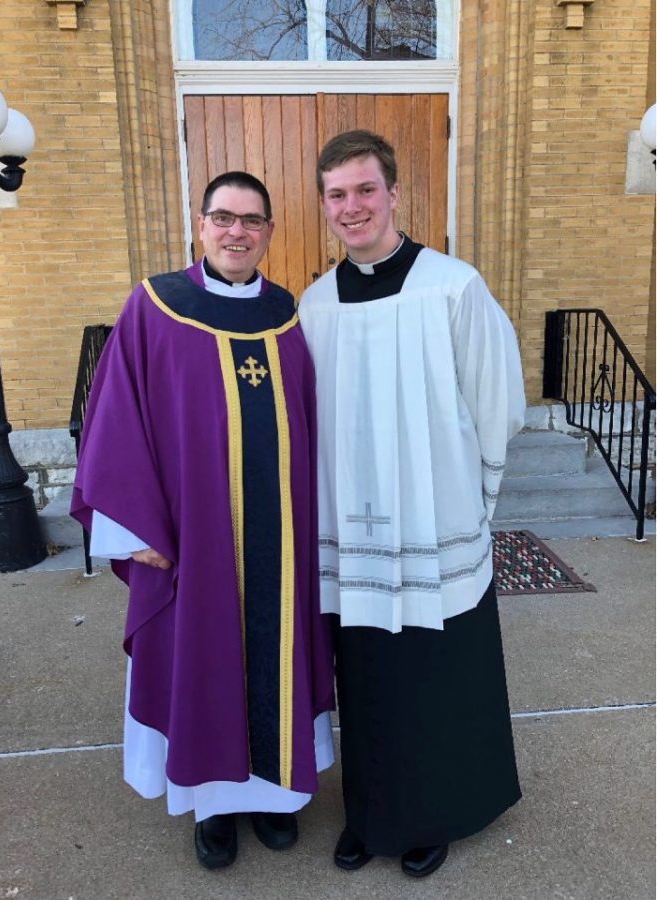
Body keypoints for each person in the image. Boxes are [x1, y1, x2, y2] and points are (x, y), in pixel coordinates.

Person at [71, 171, 335, 870]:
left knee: (275, 655)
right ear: (201, 223)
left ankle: (272, 797)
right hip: (194, 537)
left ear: (270, 232)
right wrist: (138, 530)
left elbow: (314, 422)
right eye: (223, 217)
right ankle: (213, 807)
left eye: (251, 221)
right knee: (205, 658)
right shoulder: (155, 307)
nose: (236, 232)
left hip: (280, 538)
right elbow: (116, 418)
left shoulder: (288, 316)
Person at [297, 131, 525, 878]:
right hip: (352, 530)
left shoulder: (452, 286)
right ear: (324, 205)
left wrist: (474, 497)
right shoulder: (316, 302)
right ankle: (370, 813)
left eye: (365, 190)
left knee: (433, 673)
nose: (352, 207)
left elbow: (497, 402)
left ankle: (433, 813)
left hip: (434, 521)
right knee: (362, 675)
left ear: (395, 193)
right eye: (337, 195)